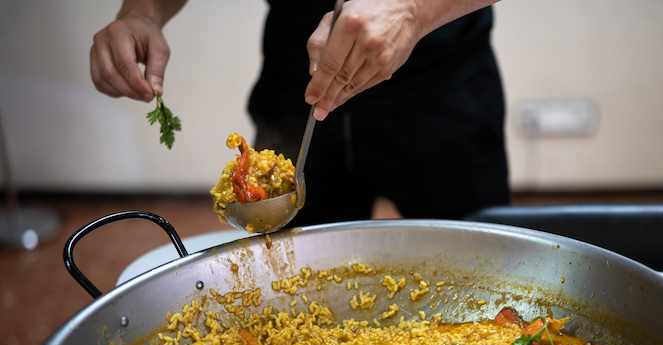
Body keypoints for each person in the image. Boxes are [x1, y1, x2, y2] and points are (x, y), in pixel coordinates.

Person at [91, 0, 510, 225]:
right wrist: (142, 11)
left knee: (484, 269)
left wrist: (414, 9)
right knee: (288, 294)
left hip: (441, 84)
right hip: (296, 85)